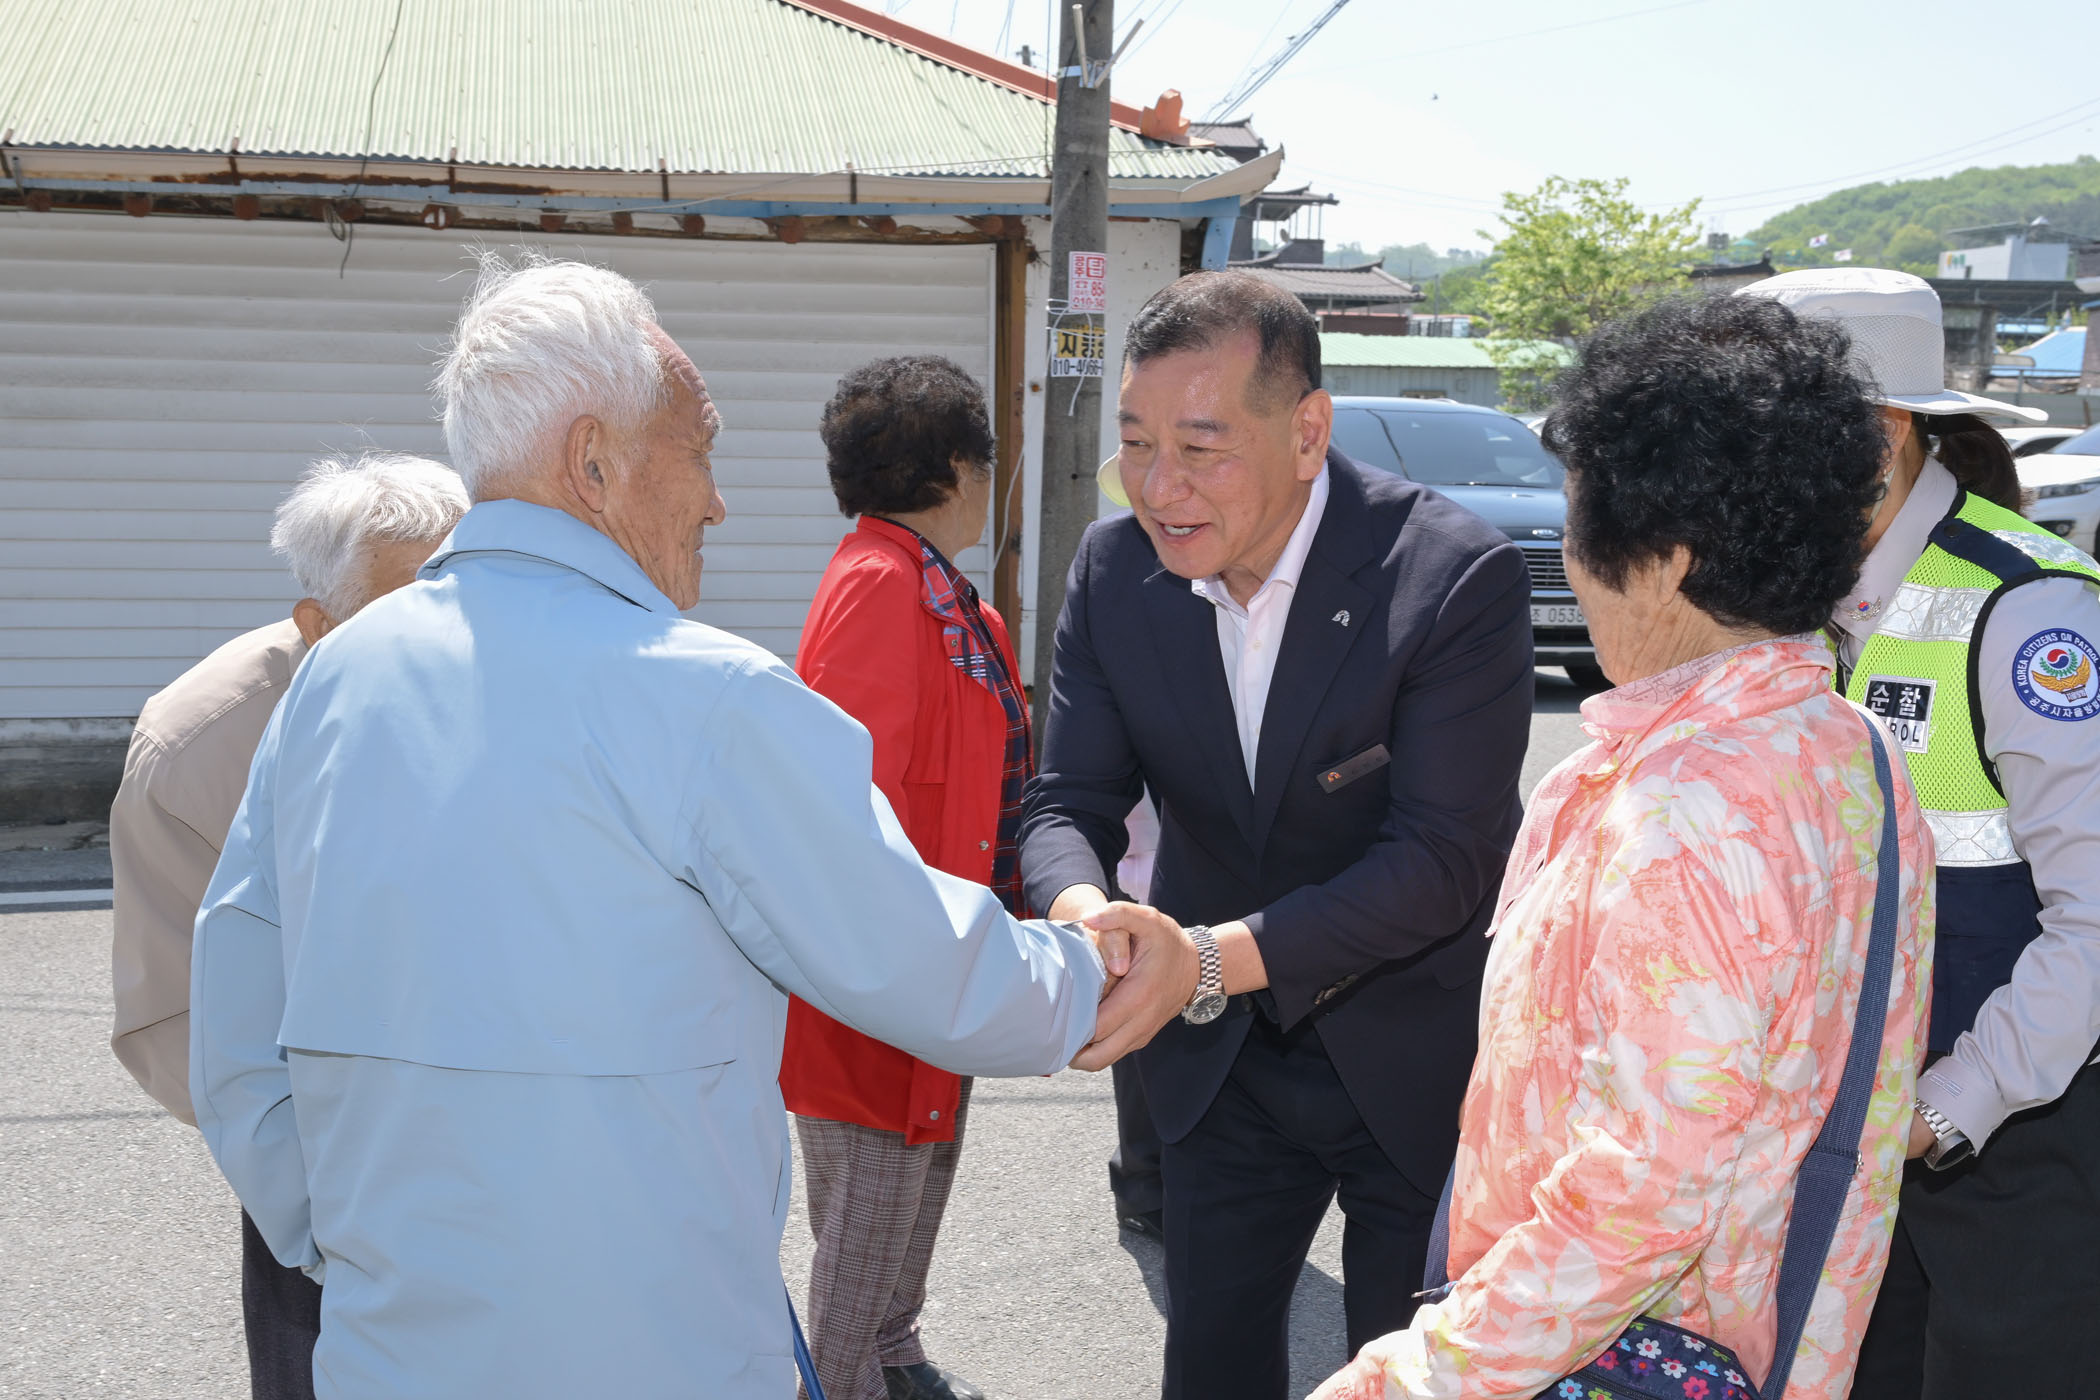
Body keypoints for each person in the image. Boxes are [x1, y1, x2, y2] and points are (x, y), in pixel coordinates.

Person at [187, 255, 1200, 1400]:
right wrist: (1108, 969)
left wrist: (343, 1245)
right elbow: (926, 962)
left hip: (390, 1355)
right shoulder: (705, 695)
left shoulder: (332, 682)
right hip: (658, 1352)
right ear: (593, 461)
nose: (719, 500)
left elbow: (235, 1036)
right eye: (702, 449)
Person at [1308, 291, 1934, 1400]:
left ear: (1665, 561)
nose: (1568, 554)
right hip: (1764, 1346)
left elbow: (1644, 1194)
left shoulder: (1684, 812)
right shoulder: (1852, 750)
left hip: (1597, 1349)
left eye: (1576, 522)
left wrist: (1414, 1374)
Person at [1021, 270, 1535, 1400]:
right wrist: (1090, 916)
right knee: (1209, 1363)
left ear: (1308, 432)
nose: (1160, 487)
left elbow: (1442, 861)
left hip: (1413, 1053)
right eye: (1136, 444)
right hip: (1218, 1059)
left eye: (1201, 447)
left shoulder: (1449, 577)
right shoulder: (1115, 570)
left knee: (1411, 1375)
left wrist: (1201, 958)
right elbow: (1065, 801)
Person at [1736, 269, 2100, 1397]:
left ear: (1887, 433)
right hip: (1843, 1140)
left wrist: (1948, 1106)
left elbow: (2095, 919)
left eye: (1778, 439)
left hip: (2013, 1136)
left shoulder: (2030, 608)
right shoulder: (1782, 601)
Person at [109, 451, 467, 1400]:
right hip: (326, 1154)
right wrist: (309, 1196)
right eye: (406, 609)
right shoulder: (198, 750)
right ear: (319, 623)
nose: (447, 635)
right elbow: (177, 1010)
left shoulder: (524, 677)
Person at [779, 356, 1016, 1400]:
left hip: (940, 954)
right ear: (957, 467)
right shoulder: (884, 584)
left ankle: (893, 1356)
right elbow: (843, 799)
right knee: (869, 1213)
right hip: (879, 971)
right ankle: (841, 1382)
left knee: (920, 1175)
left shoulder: (941, 594)